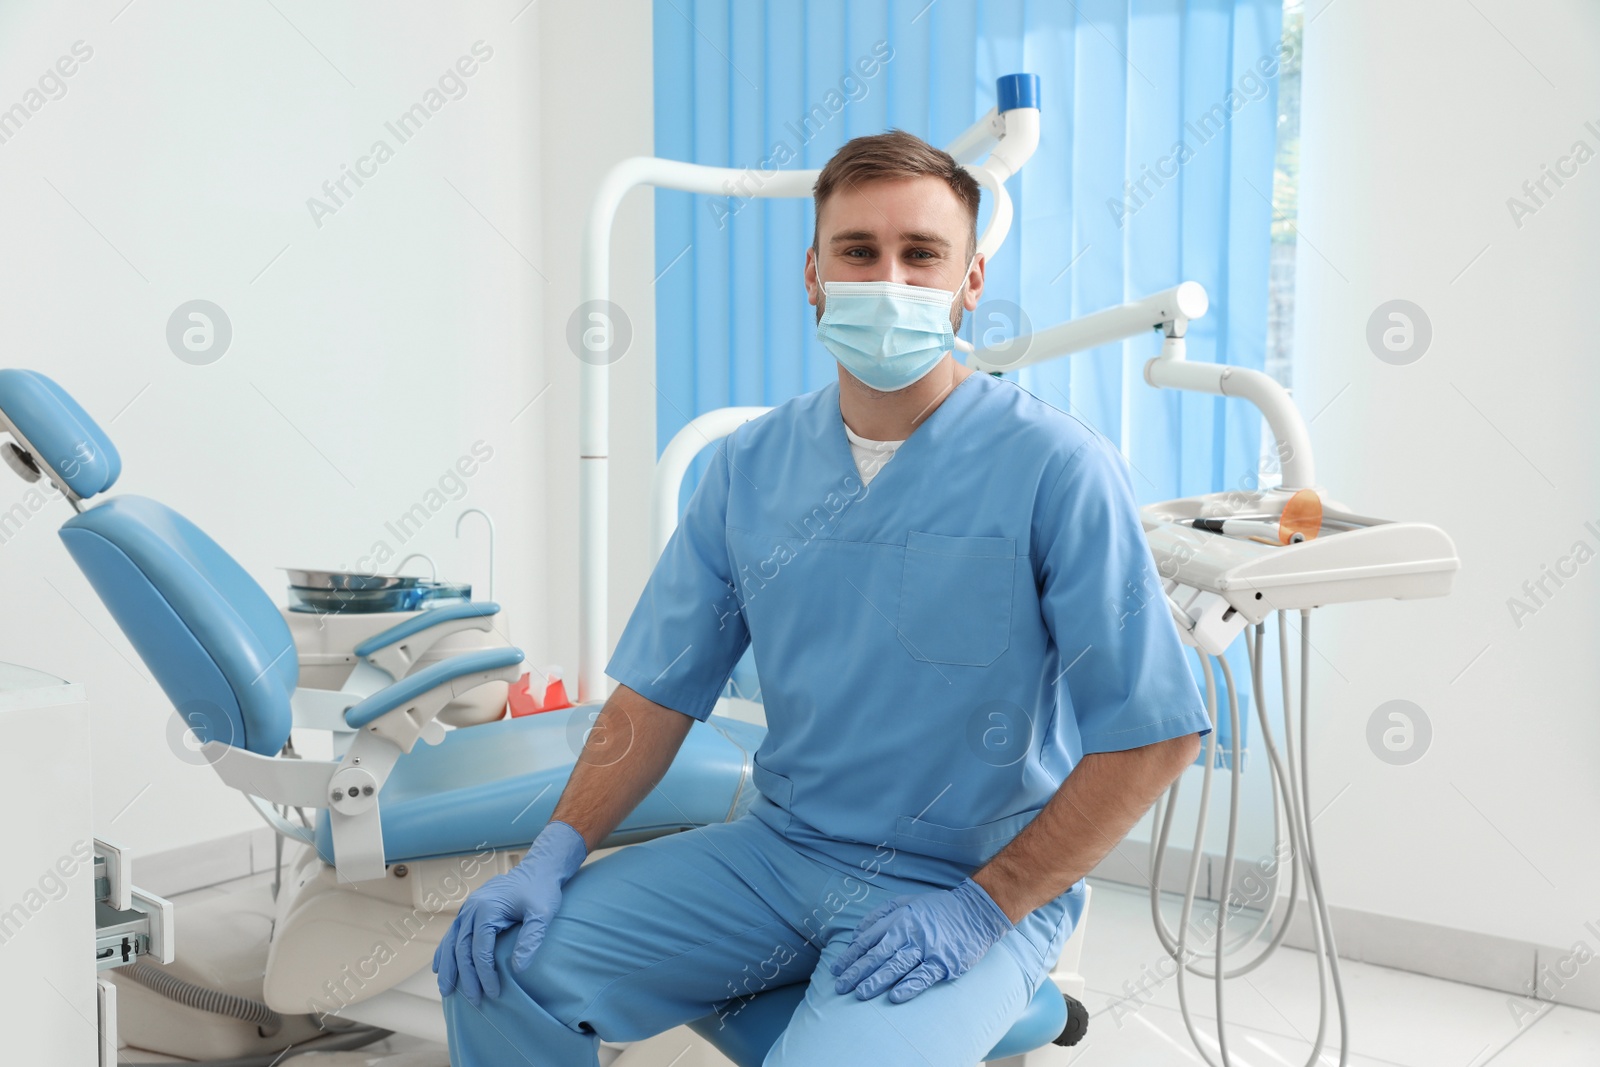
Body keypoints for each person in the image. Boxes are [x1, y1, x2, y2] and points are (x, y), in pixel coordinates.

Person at [434, 129, 1210, 1065]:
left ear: (970, 282)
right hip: (776, 853)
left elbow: (1155, 733)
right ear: (813, 273)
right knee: (497, 962)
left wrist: (986, 906)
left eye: (922, 254)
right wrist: (553, 853)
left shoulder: (1057, 470)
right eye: (858, 251)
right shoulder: (747, 468)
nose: (889, 278)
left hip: (958, 884)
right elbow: (655, 693)